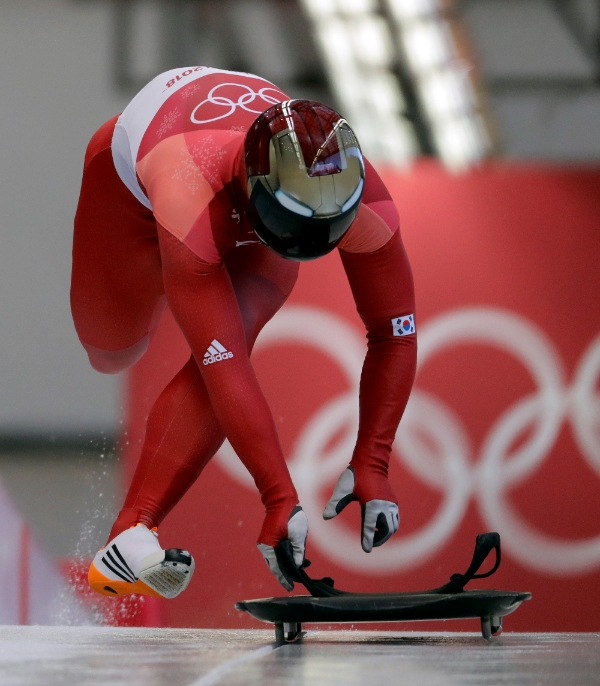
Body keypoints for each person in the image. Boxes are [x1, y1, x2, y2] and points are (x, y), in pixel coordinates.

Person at [72, 67, 416, 600]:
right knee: (114, 352)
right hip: (142, 190)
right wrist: (278, 497)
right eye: (292, 227)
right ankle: (131, 525)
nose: (308, 243)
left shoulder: (362, 190)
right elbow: (221, 363)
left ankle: (129, 533)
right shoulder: (190, 182)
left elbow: (394, 333)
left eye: (327, 232)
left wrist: (373, 461)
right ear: (257, 194)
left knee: (239, 326)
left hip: (240, 196)